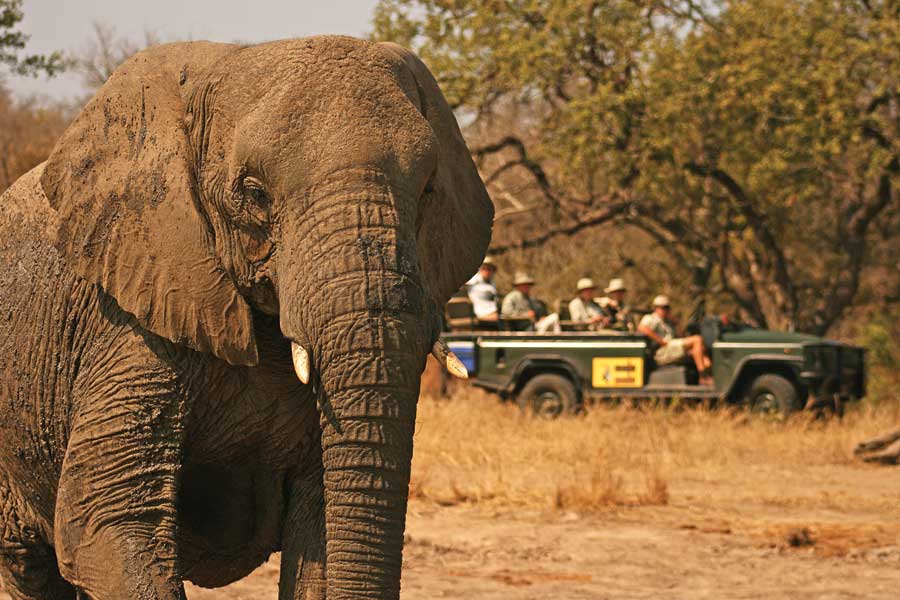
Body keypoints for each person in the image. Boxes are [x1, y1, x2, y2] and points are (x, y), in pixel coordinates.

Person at [638, 295, 712, 384]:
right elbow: (642, 328)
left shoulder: (668, 322)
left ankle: (709, 376)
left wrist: (676, 323)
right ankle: (702, 376)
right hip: (661, 351)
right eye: (662, 308)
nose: (665, 310)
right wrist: (660, 341)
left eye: (667, 308)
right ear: (655, 308)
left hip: (672, 348)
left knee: (701, 350)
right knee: (697, 339)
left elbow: (681, 336)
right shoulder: (651, 318)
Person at [466, 257, 499, 321]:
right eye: (484, 268)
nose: (486, 271)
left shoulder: (492, 282)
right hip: (481, 311)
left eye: (489, 269)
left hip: (493, 309)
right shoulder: (474, 280)